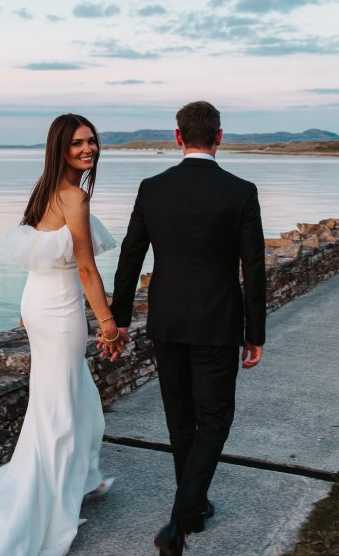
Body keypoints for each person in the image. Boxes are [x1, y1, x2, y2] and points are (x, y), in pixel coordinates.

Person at [0, 114, 126, 555]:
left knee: (74, 395)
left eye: (92, 141)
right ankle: (45, 498)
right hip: (60, 309)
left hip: (37, 301)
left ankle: (81, 477)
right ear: (60, 149)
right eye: (77, 144)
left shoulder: (45, 188)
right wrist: (107, 324)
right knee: (59, 404)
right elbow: (87, 267)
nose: (88, 150)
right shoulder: (73, 197)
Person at [108, 101, 266, 555]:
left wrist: (119, 319)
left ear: (177, 137)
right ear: (220, 137)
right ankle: (179, 521)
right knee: (214, 419)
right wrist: (255, 332)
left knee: (181, 418)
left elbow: (131, 255)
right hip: (218, 322)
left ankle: (192, 508)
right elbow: (253, 268)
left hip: (166, 321)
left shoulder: (152, 188)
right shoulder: (241, 191)